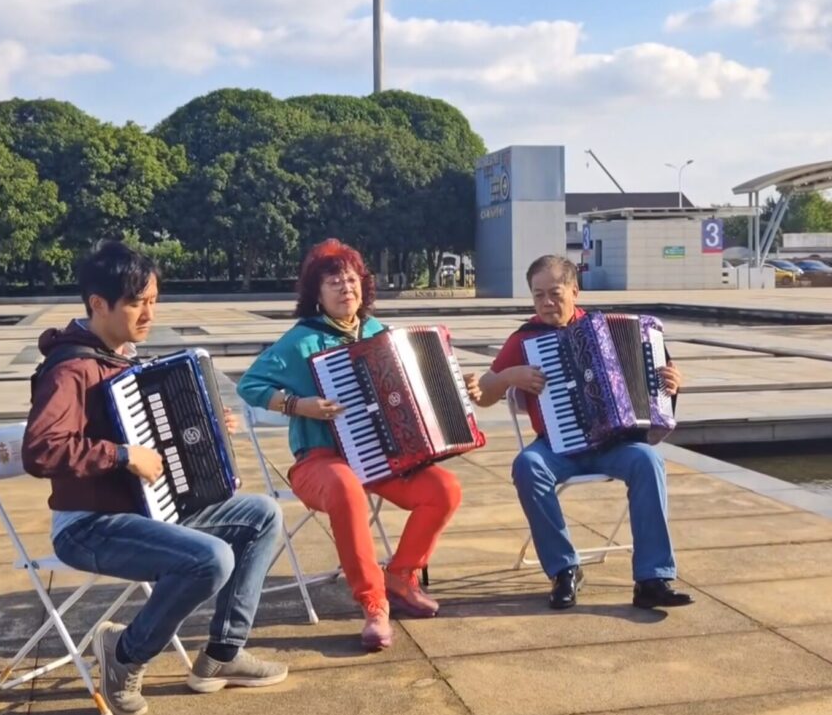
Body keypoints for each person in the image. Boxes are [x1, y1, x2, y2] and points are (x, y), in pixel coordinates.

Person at [23, 241, 287, 715]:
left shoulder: (119, 356)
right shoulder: (70, 369)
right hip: (88, 525)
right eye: (136, 303)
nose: (148, 314)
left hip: (145, 511)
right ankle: (125, 655)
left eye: (153, 301)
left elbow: (154, 432)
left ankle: (222, 655)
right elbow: (41, 449)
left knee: (263, 514)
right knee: (210, 559)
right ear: (98, 304)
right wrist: (123, 454)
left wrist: (208, 424)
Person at [237, 238, 462, 651]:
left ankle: (401, 575)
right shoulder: (300, 340)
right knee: (345, 488)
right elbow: (250, 386)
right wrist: (296, 404)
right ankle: (374, 603)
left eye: (352, 279)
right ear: (316, 294)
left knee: (445, 489)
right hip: (318, 460)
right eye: (334, 281)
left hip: (384, 456)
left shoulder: (381, 333)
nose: (346, 288)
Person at [466, 255, 693, 612]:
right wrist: (511, 377)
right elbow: (487, 391)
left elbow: (656, 383)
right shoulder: (525, 338)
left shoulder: (605, 328)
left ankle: (652, 578)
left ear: (575, 290)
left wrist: (672, 385)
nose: (545, 303)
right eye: (538, 295)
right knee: (527, 465)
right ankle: (564, 570)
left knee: (649, 460)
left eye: (554, 294)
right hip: (555, 447)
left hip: (614, 444)